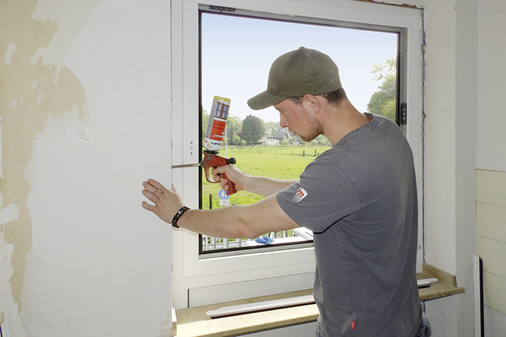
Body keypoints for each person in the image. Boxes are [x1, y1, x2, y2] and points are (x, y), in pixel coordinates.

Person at [142, 47, 431, 337]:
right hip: (404, 320)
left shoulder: (342, 167)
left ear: (312, 102)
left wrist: (179, 214)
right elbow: (318, 194)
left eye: (282, 110)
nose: (281, 123)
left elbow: (246, 224)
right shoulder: (384, 131)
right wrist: (246, 181)